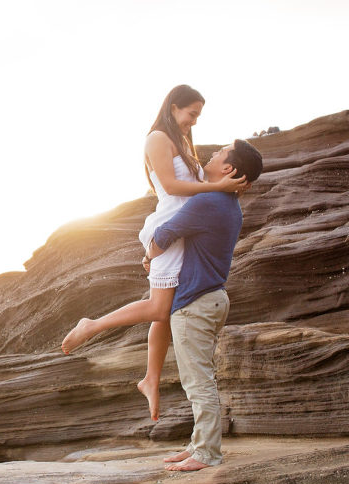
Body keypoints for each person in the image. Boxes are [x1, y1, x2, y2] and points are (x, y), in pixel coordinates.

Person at [61, 85, 246, 422]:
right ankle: (93, 326)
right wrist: (217, 187)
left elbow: (195, 183)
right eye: (191, 115)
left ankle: (150, 379)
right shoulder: (157, 139)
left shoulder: (182, 141)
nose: (193, 122)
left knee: (166, 307)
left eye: (197, 118)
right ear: (174, 107)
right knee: (161, 308)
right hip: (170, 225)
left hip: (184, 227)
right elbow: (172, 187)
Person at [146, 139, 263, 470]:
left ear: (228, 168)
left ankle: (207, 453)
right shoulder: (228, 204)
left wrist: (147, 255)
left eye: (220, 153)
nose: (212, 155)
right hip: (213, 299)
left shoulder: (208, 201)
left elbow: (164, 235)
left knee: (198, 382)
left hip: (195, 304)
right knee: (201, 378)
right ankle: (199, 444)